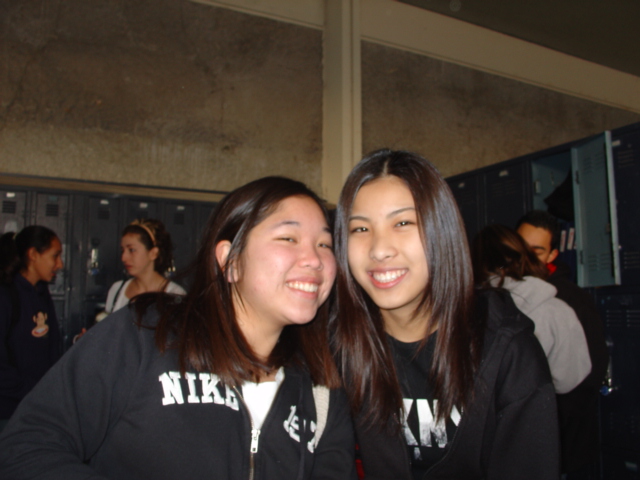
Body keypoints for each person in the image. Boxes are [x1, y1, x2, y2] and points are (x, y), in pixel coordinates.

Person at [0, 177, 357, 480]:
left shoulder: (323, 389)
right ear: (230, 261)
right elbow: (27, 446)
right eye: (289, 238)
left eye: (324, 244)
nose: (315, 259)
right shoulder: (144, 335)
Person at [331, 149, 560, 480]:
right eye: (360, 229)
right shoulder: (339, 344)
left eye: (403, 223)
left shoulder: (506, 349)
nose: (379, 249)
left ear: (442, 231)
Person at [517, 210, 609, 478]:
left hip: (559, 441)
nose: (526, 256)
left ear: (552, 255)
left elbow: (589, 375)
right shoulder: (509, 291)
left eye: (536, 250)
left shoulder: (571, 300)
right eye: (521, 246)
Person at [472, 223, 592, 394]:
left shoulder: (461, 308)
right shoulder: (557, 310)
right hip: (535, 405)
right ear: (524, 256)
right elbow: (569, 378)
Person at [0, 226, 63, 431]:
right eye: (55, 256)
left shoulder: (42, 293)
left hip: (37, 410)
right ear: (33, 254)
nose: (60, 264)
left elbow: (50, 347)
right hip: (8, 413)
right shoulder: (6, 295)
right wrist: (35, 391)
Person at [103, 218, 185, 315]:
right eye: (122, 251)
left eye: (131, 250)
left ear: (153, 253)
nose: (123, 258)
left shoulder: (175, 294)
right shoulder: (117, 289)